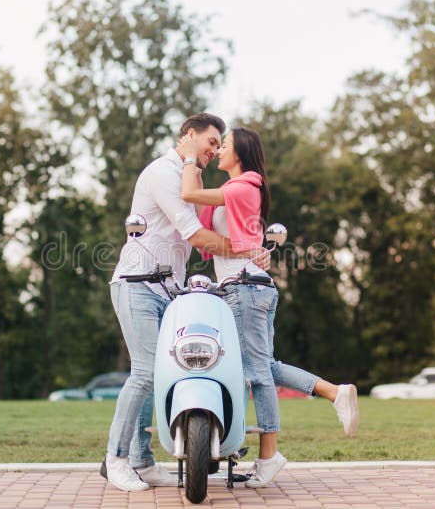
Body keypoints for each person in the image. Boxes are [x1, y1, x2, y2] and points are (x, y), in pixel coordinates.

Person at [178, 127, 360, 488]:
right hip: (246, 287)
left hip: (245, 289)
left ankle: (269, 455)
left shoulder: (244, 185)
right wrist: (196, 165)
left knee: (258, 374)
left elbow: (187, 193)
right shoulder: (235, 190)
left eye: (223, 146)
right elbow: (201, 217)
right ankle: (334, 392)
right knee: (266, 366)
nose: (219, 151)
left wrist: (187, 156)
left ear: (241, 152)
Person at [103, 113, 269, 492]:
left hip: (168, 291)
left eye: (218, 145)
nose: (214, 150)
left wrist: (252, 250)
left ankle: (143, 462)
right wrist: (247, 251)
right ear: (189, 135)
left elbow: (215, 231)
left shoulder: (188, 178)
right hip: (137, 284)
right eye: (211, 142)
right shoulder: (163, 172)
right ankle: (115, 459)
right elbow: (196, 236)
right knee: (145, 373)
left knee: (158, 375)